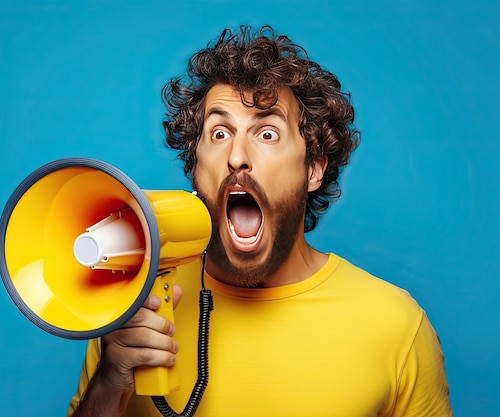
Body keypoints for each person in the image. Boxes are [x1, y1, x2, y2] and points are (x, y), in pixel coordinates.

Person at [68, 25, 453, 416]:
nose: (237, 155)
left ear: (313, 169)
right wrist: (110, 381)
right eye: (219, 133)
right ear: (195, 168)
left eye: (267, 133)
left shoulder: (395, 324)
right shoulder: (132, 307)